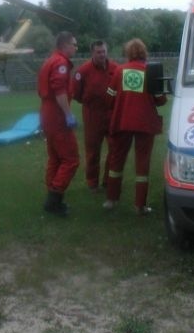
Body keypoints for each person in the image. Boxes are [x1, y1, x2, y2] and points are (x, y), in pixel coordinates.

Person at [103, 38, 167, 214]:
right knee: (142, 163)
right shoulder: (151, 72)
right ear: (144, 53)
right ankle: (140, 205)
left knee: (116, 160)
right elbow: (161, 100)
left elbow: (109, 99)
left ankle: (111, 199)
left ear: (128, 53)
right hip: (144, 124)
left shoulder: (118, 71)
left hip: (122, 122)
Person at [37, 31, 80, 216]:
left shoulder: (50, 60)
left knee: (55, 158)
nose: (76, 48)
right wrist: (68, 114)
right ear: (65, 45)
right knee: (71, 159)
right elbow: (59, 91)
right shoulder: (61, 63)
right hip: (57, 115)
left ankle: (51, 195)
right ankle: (54, 199)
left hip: (47, 114)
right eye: (74, 45)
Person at [73, 40, 118, 192]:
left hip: (111, 114)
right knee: (93, 151)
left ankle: (108, 181)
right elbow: (77, 94)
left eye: (104, 51)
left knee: (114, 148)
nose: (102, 54)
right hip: (93, 115)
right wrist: (90, 104)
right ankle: (92, 182)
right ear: (92, 53)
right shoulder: (83, 71)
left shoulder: (115, 69)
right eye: (98, 52)